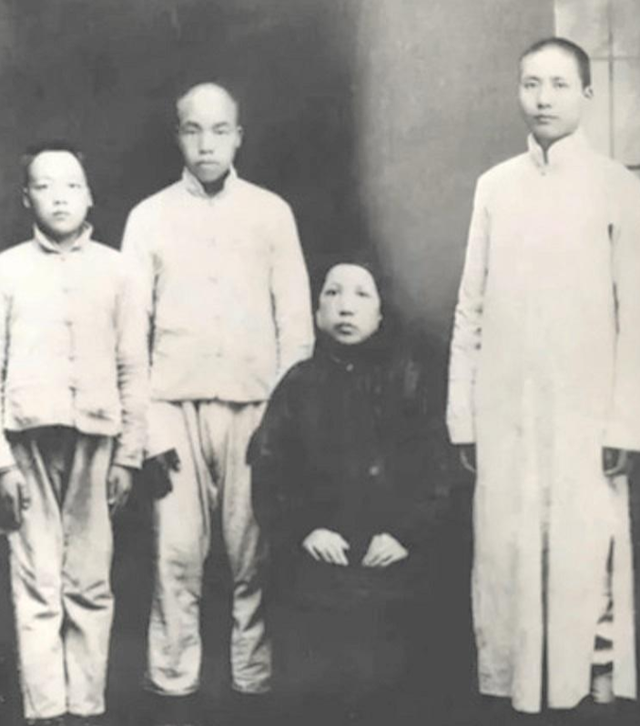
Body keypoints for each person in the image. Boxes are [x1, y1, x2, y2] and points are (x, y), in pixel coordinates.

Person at [447, 37, 640, 720]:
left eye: (559, 85)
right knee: (509, 551)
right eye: (531, 84)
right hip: (506, 407)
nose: (543, 99)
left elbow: (634, 314)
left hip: (588, 410)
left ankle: (593, 691)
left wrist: (625, 423)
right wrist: (464, 417)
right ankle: (519, 693)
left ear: (586, 94)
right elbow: (470, 306)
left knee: (587, 549)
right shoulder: (495, 186)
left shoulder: (618, 187)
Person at [121, 82, 314, 726]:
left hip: (255, 409)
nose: (207, 144)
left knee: (251, 554)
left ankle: (252, 682)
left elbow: (295, 325)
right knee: (175, 555)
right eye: (193, 130)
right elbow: (130, 330)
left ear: (238, 136)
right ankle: (172, 683)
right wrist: (145, 428)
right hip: (170, 407)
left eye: (219, 130)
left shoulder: (271, 213)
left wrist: (280, 422)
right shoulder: (148, 217)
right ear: (178, 135)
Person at [250, 259, 448, 726]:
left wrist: (404, 534)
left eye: (361, 294)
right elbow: (270, 472)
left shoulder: (410, 379)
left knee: (392, 675)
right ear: (317, 313)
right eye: (333, 293)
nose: (345, 307)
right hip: (318, 564)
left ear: (380, 313)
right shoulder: (297, 385)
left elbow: (435, 472)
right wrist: (306, 530)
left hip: (391, 561)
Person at [0, 142, 148, 726]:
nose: (58, 197)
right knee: (37, 582)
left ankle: (85, 708)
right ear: (26, 198)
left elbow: (132, 366)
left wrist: (128, 456)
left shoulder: (117, 270)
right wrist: (2, 464)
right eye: (44, 186)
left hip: (96, 442)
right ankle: (45, 711)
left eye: (70, 185)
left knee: (89, 581)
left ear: (89, 195)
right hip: (27, 442)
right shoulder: (7, 269)